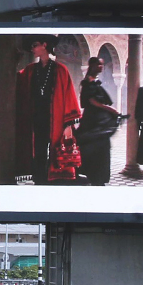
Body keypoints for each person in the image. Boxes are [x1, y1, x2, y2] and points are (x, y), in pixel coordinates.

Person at [15, 34, 81, 184]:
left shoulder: (61, 70)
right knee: (37, 151)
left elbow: (68, 96)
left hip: (55, 118)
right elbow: (17, 83)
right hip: (36, 118)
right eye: (31, 46)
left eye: (35, 45)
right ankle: (39, 180)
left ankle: (52, 180)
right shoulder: (30, 70)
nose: (32, 49)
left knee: (55, 150)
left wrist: (68, 124)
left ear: (44, 45)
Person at [75, 57, 123, 186]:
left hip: (99, 120)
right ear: (92, 66)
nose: (101, 67)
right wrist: (111, 110)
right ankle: (94, 176)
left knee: (102, 148)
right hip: (92, 120)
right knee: (93, 147)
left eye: (102, 65)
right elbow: (92, 101)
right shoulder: (87, 83)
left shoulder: (95, 82)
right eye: (99, 65)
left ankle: (99, 177)